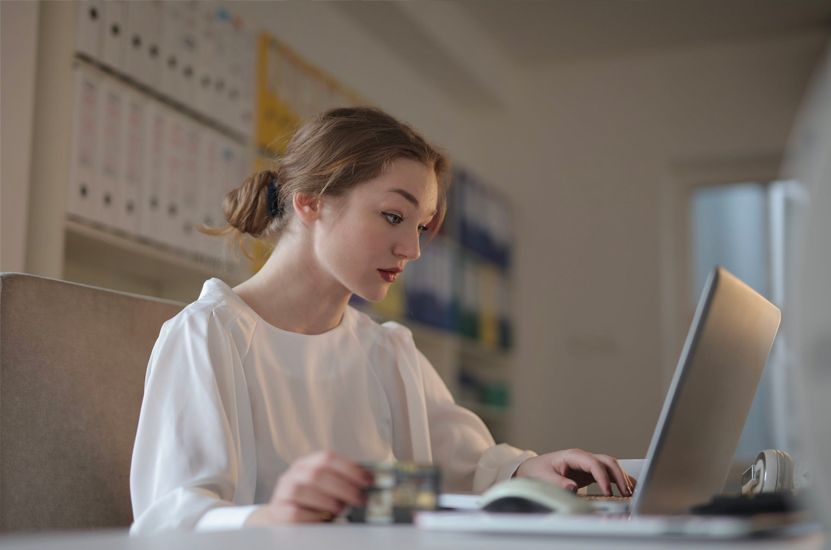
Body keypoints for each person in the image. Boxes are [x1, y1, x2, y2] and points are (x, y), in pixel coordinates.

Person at [129, 107, 634, 534]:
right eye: (394, 216)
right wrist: (272, 517)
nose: (412, 250)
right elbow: (166, 520)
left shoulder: (387, 351)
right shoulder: (209, 335)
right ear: (311, 202)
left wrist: (530, 469)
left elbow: (472, 465)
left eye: (420, 227)